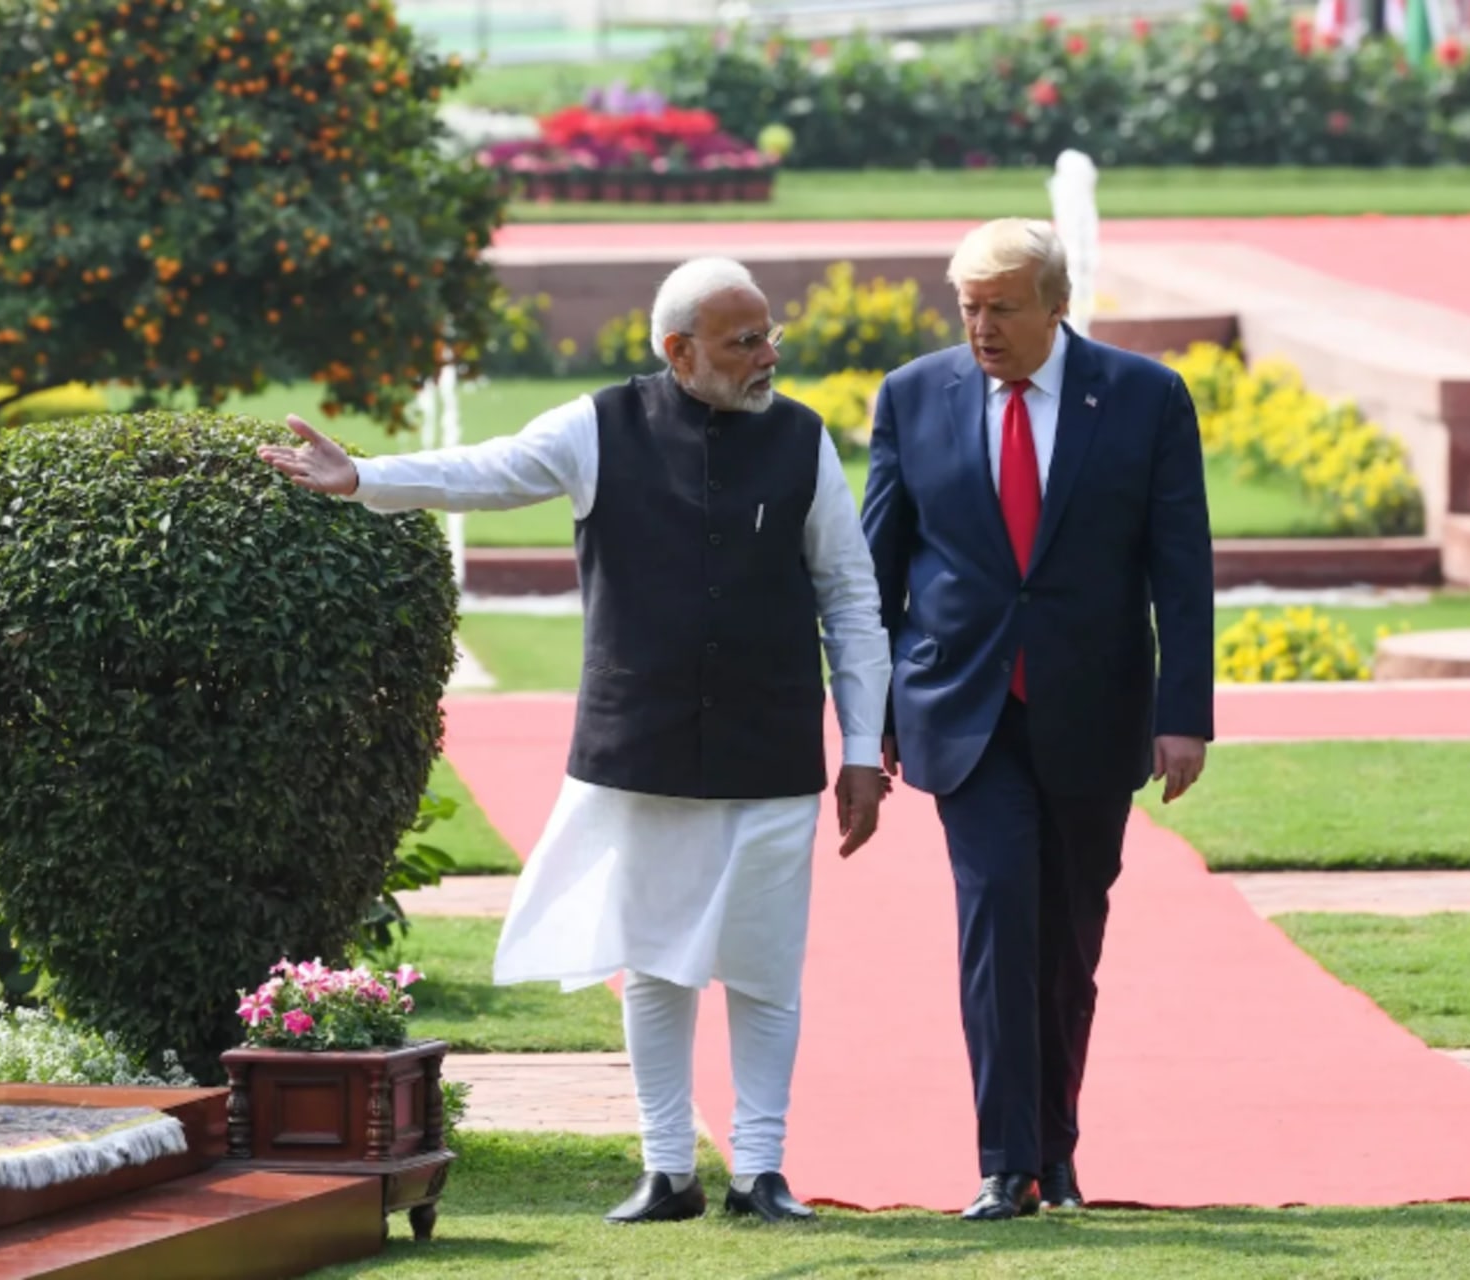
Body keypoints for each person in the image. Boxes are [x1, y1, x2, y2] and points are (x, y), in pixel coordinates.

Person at [258, 257, 892, 1225]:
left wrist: (863, 748)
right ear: (679, 350)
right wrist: (365, 478)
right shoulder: (598, 425)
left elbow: (849, 596)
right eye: (744, 341)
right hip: (641, 746)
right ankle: (668, 1169)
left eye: (769, 335)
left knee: (765, 965)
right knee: (653, 960)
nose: (769, 355)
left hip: (770, 745)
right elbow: (488, 470)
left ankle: (760, 1170)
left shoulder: (802, 439)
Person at [860, 219, 1214, 1221]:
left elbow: (1181, 568)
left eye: (1003, 308)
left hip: (1095, 712)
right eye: (969, 307)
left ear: (1058, 304)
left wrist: (1184, 714)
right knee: (997, 918)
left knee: (1067, 943)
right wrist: (864, 718)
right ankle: (1005, 1161)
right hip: (961, 713)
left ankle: (1055, 1151)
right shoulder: (911, 396)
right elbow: (873, 575)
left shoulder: (1145, 397)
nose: (982, 327)